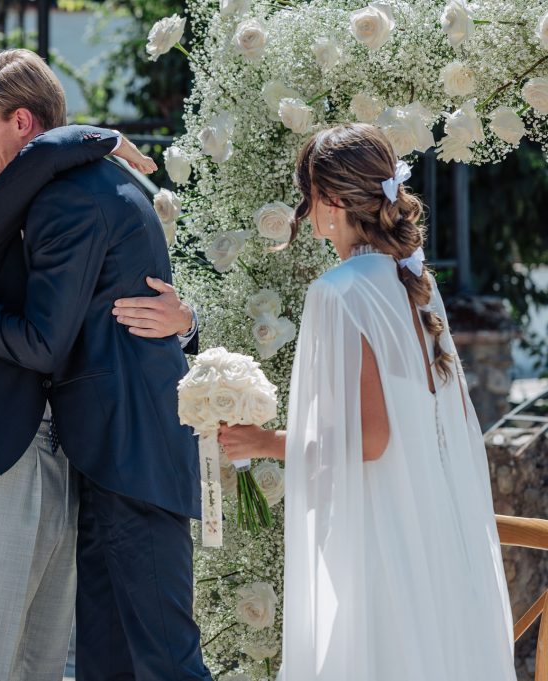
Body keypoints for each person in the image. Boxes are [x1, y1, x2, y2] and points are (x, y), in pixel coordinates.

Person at [0, 49, 211, 681]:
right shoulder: (106, 182)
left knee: (164, 660)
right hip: (112, 453)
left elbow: (39, 343)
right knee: (107, 661)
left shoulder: (68, 201)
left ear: (23, 123)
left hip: (125, 454)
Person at [218, 124, 516, 681]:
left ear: (331, 202)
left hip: (381, 541)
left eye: (308, 199)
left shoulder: (340, 292)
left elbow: (371, 441)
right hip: (431, 538)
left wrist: (263, 442)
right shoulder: (414, 281)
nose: (306, 217)